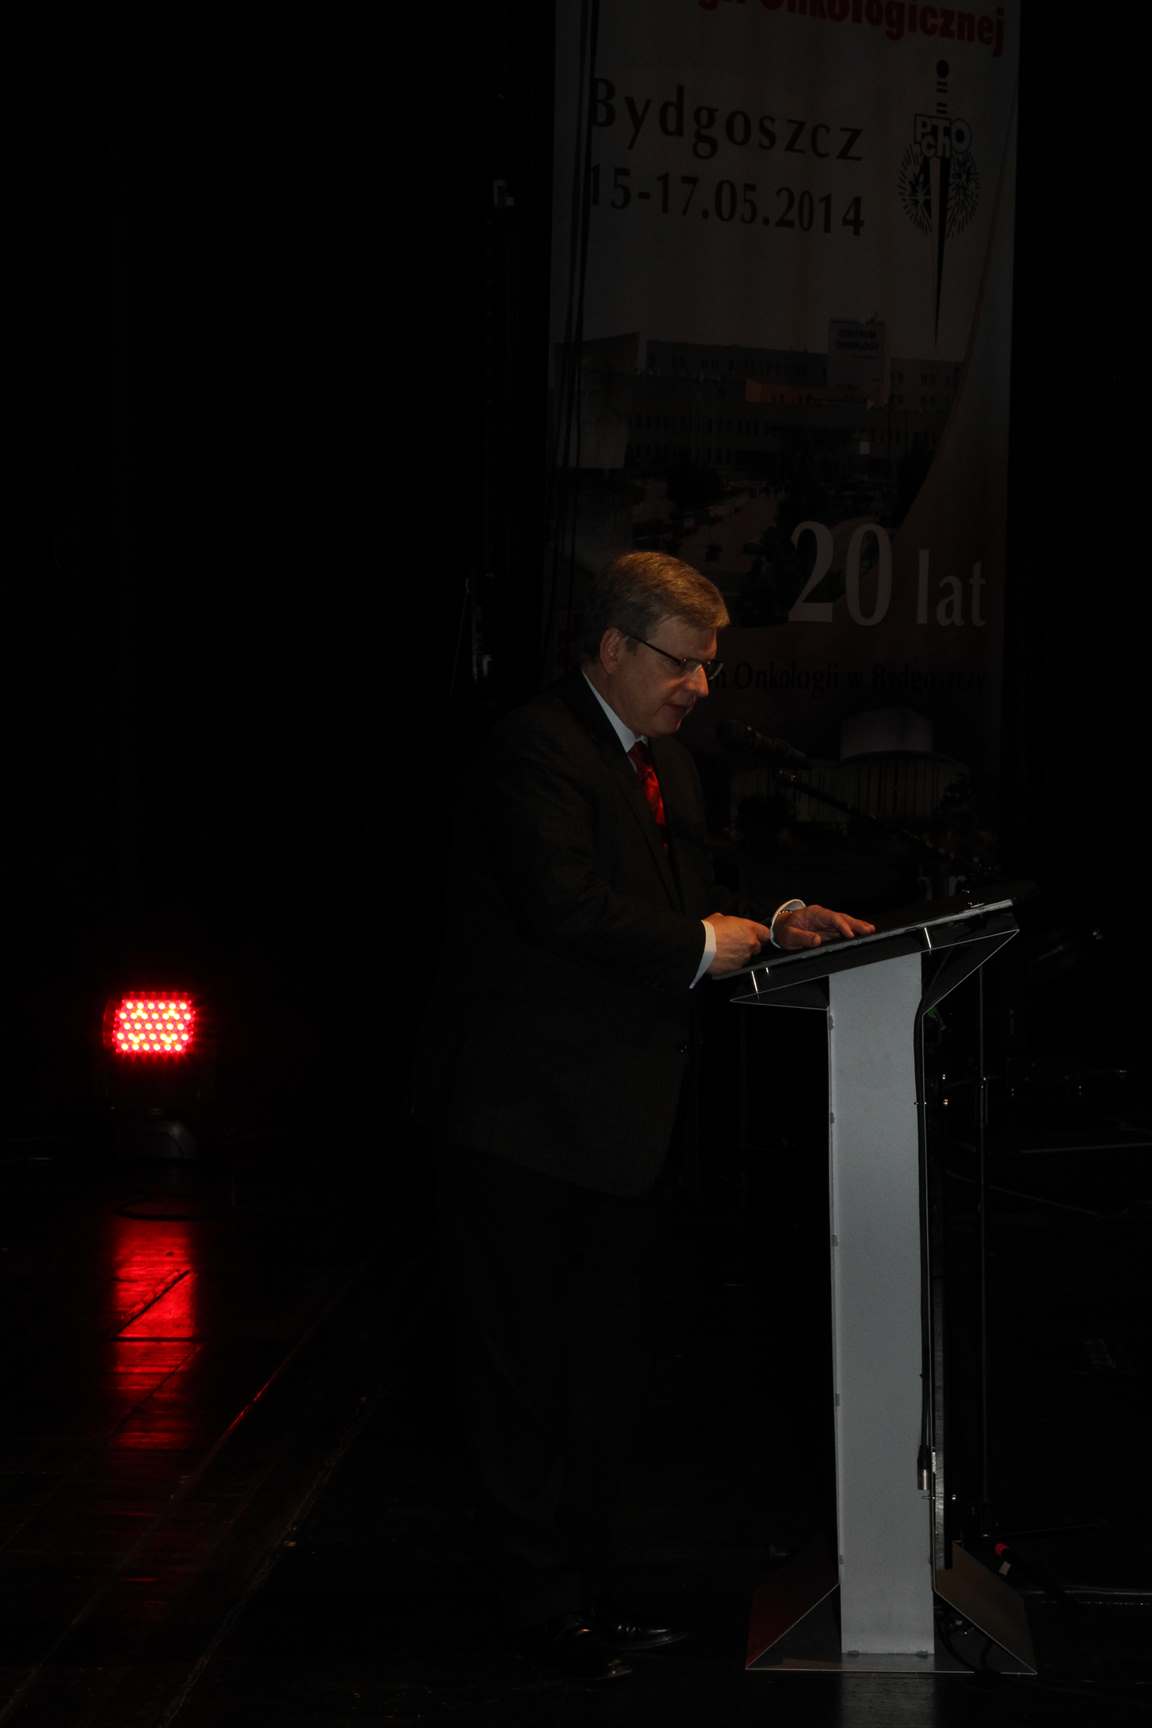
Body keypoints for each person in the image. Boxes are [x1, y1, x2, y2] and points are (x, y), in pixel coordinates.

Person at [419, 552, 872, 1679]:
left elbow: (688, 885)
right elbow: (564, 905)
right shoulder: (538, 748)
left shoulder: (659, 757)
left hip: (620, 1124)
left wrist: (778, 915)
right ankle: (538, 1610)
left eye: (710, 665)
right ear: (615, 648)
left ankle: (592, 1587)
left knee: (599, 1370)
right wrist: (700, 944)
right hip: (530, 1125)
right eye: (683, 663)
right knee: (524, 1375)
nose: (701, 688)